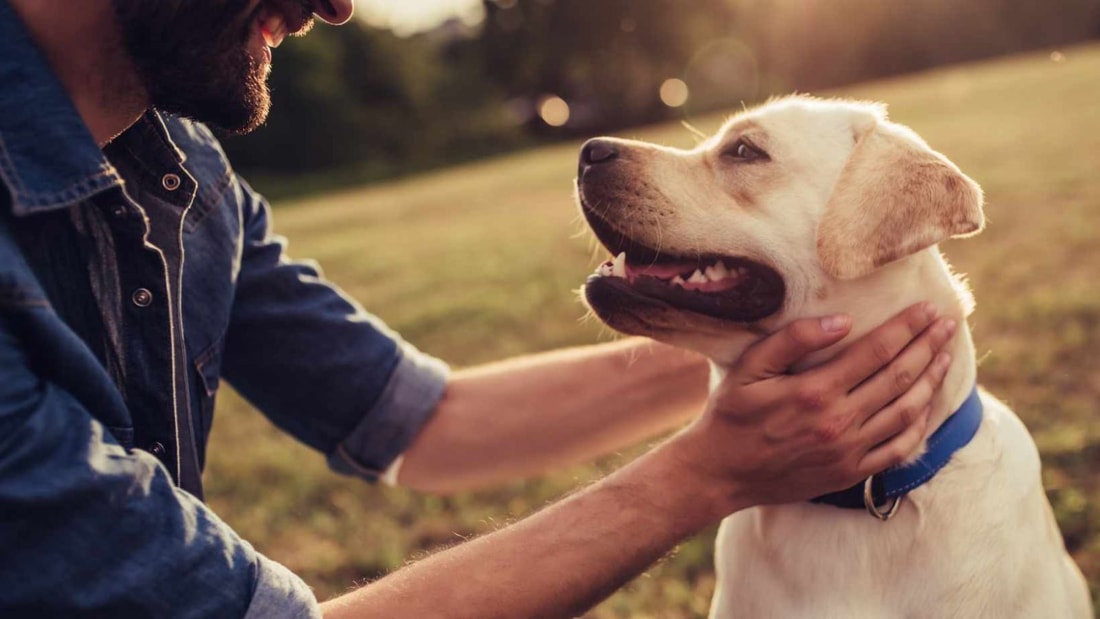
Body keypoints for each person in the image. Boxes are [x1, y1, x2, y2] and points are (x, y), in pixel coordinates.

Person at [0, 0, 957, 617]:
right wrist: (700, 477)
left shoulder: (182, 176)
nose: (338, 5)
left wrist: (795, 338)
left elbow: (427, 421)